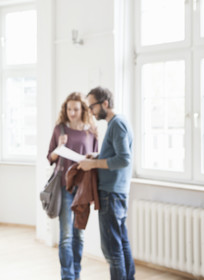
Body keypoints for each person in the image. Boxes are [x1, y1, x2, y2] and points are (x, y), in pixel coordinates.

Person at [78, 86, 135, 280]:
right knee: (122, 243)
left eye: (92, 106)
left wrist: (92, 163)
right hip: (116, 192)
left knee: (112, 250)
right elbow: (116, 156)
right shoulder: (118, 123)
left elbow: (124, 159)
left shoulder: (117, 124)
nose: (91, 112)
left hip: (111, 193)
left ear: (105, 103)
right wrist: (97, 156)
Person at [47, 92, 98, 280]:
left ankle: (76, 274)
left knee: (79, 235)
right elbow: (50, 158)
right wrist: (58, 148)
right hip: (64, 187)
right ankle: (67, 276)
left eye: (76, 109)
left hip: (83, 188)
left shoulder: (90, 130)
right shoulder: (60, 129)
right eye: (69, 109)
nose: (72, 113)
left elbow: (95, 158)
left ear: (83, 109)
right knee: (66, 236)